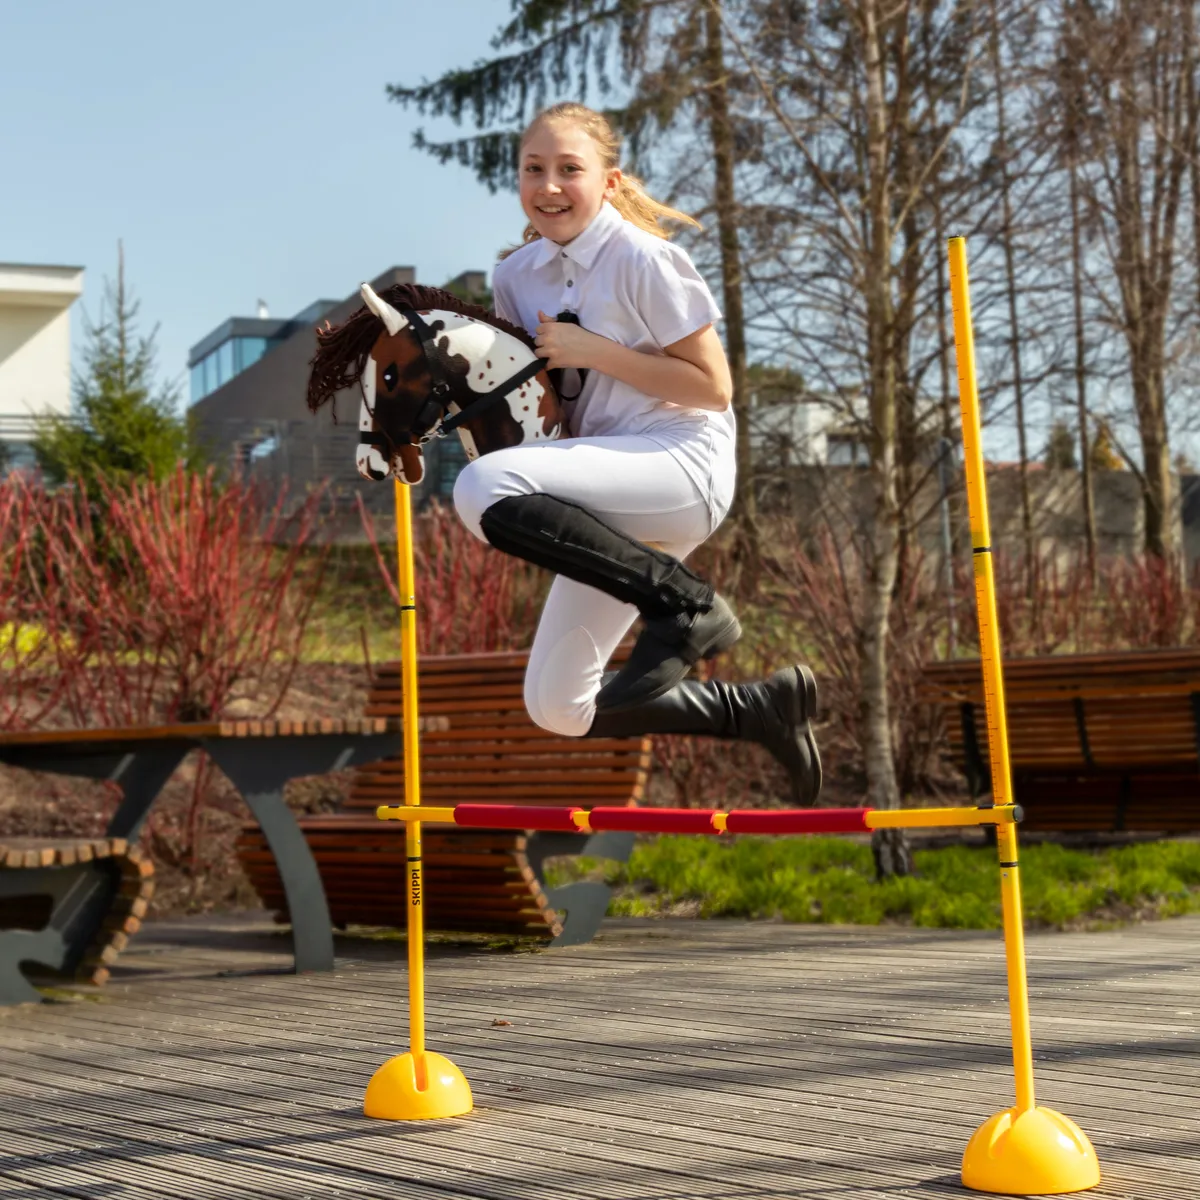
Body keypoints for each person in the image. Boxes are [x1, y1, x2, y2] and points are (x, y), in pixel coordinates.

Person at [452, 101, 822, 805]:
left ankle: (686, 608)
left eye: (570, 170)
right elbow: (546, 405)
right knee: (558, 706)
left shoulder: (645, 259)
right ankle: (759, 710)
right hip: (607, 490)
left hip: (681, 463)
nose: (550, 185)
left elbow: (713, 389)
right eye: (534, 169)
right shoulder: (516, 277)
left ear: (611, 182)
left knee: (480, 490)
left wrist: (599, 353)